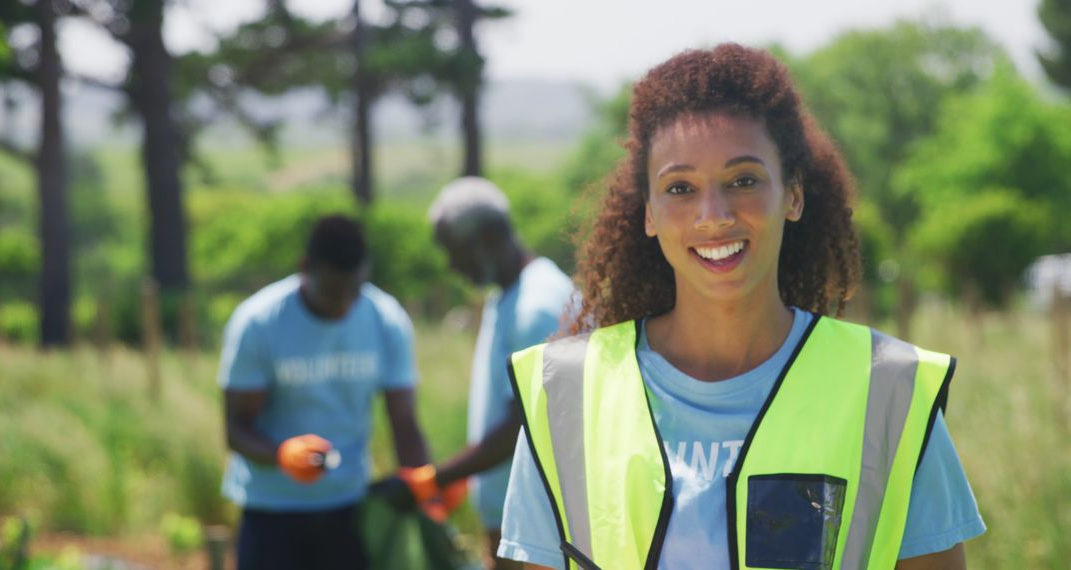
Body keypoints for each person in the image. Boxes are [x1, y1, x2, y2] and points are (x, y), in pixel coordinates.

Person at [499, 45, 985, 569]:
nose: (713, 216)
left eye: (743, 181)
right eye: (680, 188)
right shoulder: (566, 393)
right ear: (649, 214)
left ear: (793, 195)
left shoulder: (891, 390)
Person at [218, 214, 431, 570]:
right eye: (333, 292)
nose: (344, 304)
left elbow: (404, 422)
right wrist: (282, 454)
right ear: (305, 268)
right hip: (271, 509)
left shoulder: (386, 320)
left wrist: (426, 486)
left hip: (348, 506)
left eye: (355, 290)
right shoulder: (259, 323)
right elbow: (235, 431)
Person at [395, 177, 575, 569]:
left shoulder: (536, 306)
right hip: (517, 529)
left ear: (490, 237)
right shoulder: (509, 295)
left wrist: (435, 478)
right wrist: (467, 477)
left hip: (539, 536)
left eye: (456, 251)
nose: (452, 265)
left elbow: (523, 423)